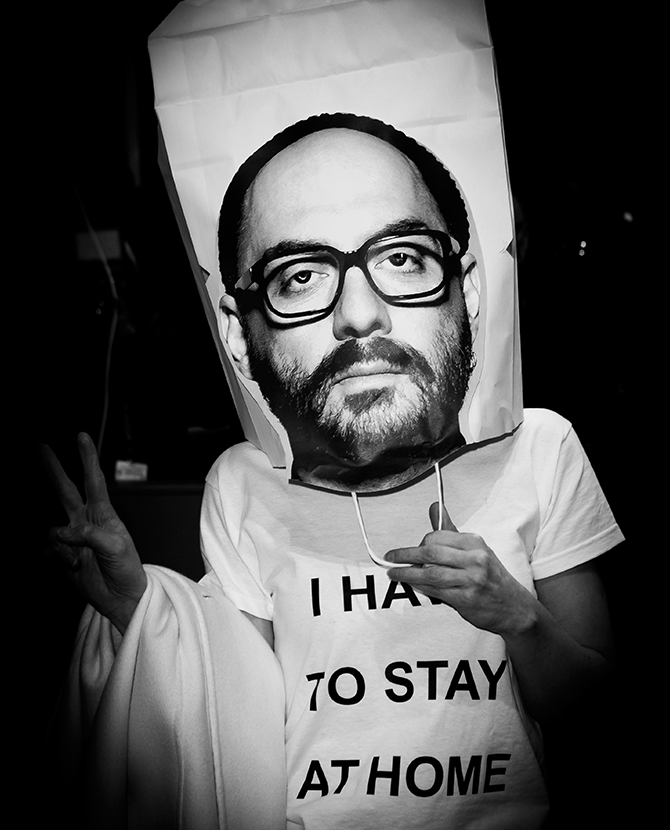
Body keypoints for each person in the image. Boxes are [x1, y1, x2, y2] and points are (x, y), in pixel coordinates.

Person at [44, 114, 624, 829]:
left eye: (403, 258)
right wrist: (138, 607)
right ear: (239, 331)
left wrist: (517, 616)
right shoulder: (243, 484)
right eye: (300, 276)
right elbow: (233, 707)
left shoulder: (539, 450)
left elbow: (598, 715)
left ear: (467, 288)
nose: (359, 314)